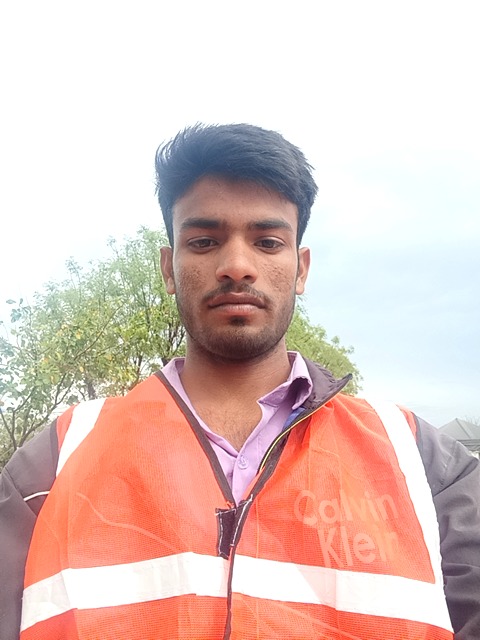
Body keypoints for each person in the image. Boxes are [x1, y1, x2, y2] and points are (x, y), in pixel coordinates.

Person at [0, 124, 479, 640]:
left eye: (268, 242)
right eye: (204, 241)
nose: (236, 266)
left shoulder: (423, 464)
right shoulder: (55, 461)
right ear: (169, 268)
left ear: (301, 269)